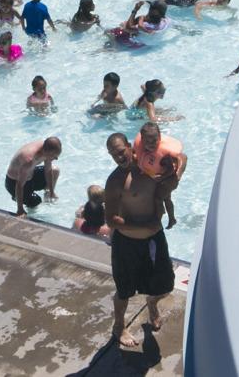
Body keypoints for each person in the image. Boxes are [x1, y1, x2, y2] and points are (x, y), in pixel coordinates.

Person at [103, 132, 175, 348]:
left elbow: (180, 164)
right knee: (124, 290)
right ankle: (119, 327)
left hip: (154, 239)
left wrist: (174, 173)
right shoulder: (115, 181)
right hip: (127, 243)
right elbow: (111, 220)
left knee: (165, 285)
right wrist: (143, 226)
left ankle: (152, 304)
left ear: (130, 146)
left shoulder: (151, 169)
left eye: (121, 151)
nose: (118, 157)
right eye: (113, 155)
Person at [6, 137, 61, 216]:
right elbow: (19, 185)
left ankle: (47, 196)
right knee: (35, 201)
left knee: (55, 170)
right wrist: (20, 209)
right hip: (13, 183)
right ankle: (18, 199)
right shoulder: (29, 159)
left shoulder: (47, 149)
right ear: (46, 152)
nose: (56, 158)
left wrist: (51, 192)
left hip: (29, 176)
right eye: (54, 156)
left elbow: (48, 171)